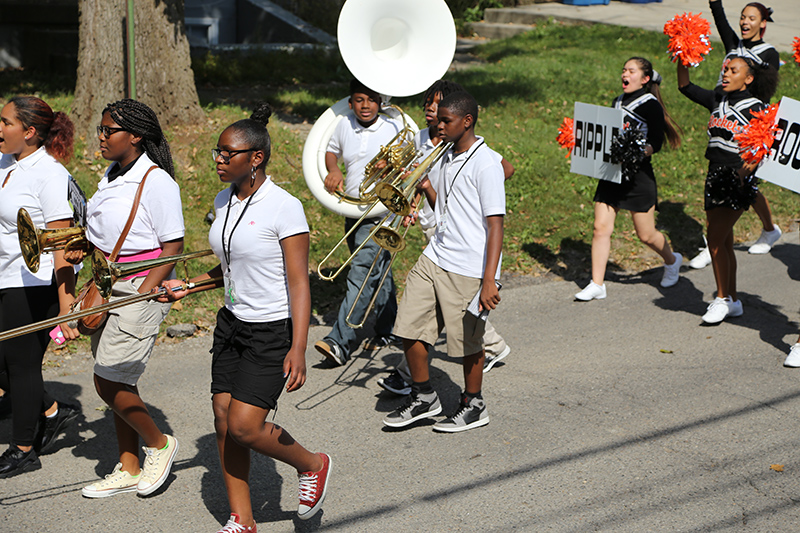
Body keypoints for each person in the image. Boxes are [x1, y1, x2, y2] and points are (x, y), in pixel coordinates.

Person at [161, 104, 331, 531]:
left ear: (256, 157)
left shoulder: (285, 207)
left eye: (228, 154)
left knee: (244, 427)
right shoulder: (224, 200)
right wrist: (191, 284)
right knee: (222, 419)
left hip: (272, 329)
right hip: (231, 324)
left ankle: (311, 464)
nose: (218, 161)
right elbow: (231, 267)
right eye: (217, 152)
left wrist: (298, 347)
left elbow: (298, 282)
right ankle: (243, 519)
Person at [377, 80, 512, 397]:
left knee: (466, 338)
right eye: (432, 112)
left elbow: (495, 224)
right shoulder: (444, 152)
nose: (435, 119)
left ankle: (473, 399)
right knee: (411, 323)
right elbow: (442, 203)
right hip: (437, 246)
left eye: (442, 116)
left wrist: (489, 279)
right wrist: (420, 192)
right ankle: (421, 392)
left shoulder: (484, 161)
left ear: (464, 120)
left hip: (467, 258)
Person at [77, 99, 184, 498]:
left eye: (109, 130)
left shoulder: (157, 182)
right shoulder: (111, 175)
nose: (101, 136)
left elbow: (173, 244)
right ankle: (129, 466)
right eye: (101, 129)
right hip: (107, 285)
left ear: (135, 136)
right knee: (117, 378)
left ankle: (160, 444)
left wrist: (145, 292)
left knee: (107, 379)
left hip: (140, 288)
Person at [0, 96, 84, 478]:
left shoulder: (50, 174)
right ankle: (51, 411)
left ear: (29, 132)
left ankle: (22, 450)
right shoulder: (5, 162)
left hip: (32, 284)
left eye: (5, 123)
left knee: (20, 365)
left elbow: (63, 244)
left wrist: (66, 304)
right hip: (2, 276)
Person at [678, 56, 778, 323]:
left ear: (748, 79)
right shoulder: (717, 98)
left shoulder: (756, 107)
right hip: (714, 174)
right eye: (726, 69)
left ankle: (721, 299)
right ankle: (732, 299)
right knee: (723, 242)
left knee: (714, 239)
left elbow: (767, 142)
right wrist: (683, 54)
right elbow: (685, 86)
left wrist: (750, 166)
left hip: (737, 178)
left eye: (733, 70)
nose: (726, 73)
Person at [575, 57, 683, 302]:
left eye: (631, 71)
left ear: (645, 79)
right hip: (612, 174)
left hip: (638, 176)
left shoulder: (650, 105)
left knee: (646, 235)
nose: (625, 74)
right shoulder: (618, 101)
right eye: (624, 70)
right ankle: (597, 284)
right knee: (600, 228)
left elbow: (656, 142)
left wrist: (636, 152)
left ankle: (672, 260)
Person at [314, 79, 404, 366]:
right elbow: (330, 150)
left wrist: (388, 165)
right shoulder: (343, 124)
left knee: (362, 272)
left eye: (372, 99)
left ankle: (340, 342)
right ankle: (388, 329)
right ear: (351, 102)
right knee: (379, 269)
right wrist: (333, 168)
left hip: (379, 213)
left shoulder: (392, 126)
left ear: (381, 102)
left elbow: (405, 163)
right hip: (353, 211)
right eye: (359, 100)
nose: (365, 106)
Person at [689, 0, 781, 268]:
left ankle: (718, 239)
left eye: (751, 18)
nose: (745, 22)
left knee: (742, 178)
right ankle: (723, 238)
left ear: (763, 23)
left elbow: (766, 90)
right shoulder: (734, 45)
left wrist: (746, 115)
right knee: (731, 178)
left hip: (746, 120)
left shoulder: (769, 53)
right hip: (723, 110)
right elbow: (721, 22)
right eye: (742, 17)